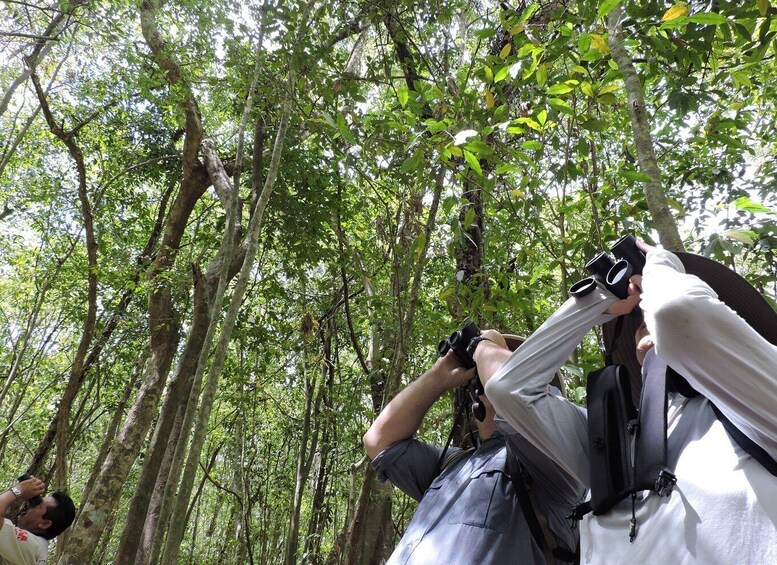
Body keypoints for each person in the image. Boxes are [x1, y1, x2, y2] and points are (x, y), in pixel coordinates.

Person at [472, 241, 777, 563]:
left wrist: (660, 262)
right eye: (638, 316)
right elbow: (511, 389)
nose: (646, 316)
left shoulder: (759, 403)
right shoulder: (618, 438)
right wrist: (596, 301)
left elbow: (676, 311)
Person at [363, 335, 583, 564]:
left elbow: (521, 393)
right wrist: (439, 375)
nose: (487, 371)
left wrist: (485, 346)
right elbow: (378, 441)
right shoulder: (451, 464)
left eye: (512, 361)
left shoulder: (554, 460)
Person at [0, 475, 76, 565]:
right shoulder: (39, 546)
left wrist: (17, 490)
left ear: (44, 523)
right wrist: (19, 488)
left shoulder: (31, 544)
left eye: (37, 505)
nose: (29, 505)